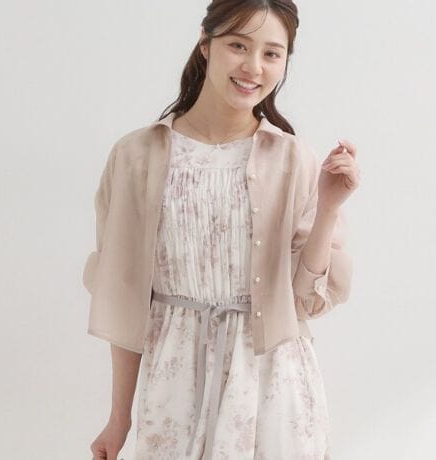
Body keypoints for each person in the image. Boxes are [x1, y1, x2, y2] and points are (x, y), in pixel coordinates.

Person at [86, 1, 360, 459]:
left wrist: (329, 208)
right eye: (238, 45)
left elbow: (304, 301)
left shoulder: (294, 159)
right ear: (205, 44)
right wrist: (119, 420)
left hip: (274, 391)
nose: (254, 66)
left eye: (272, 53)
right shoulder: (137, 156)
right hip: (173, 391)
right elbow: (124, 298)